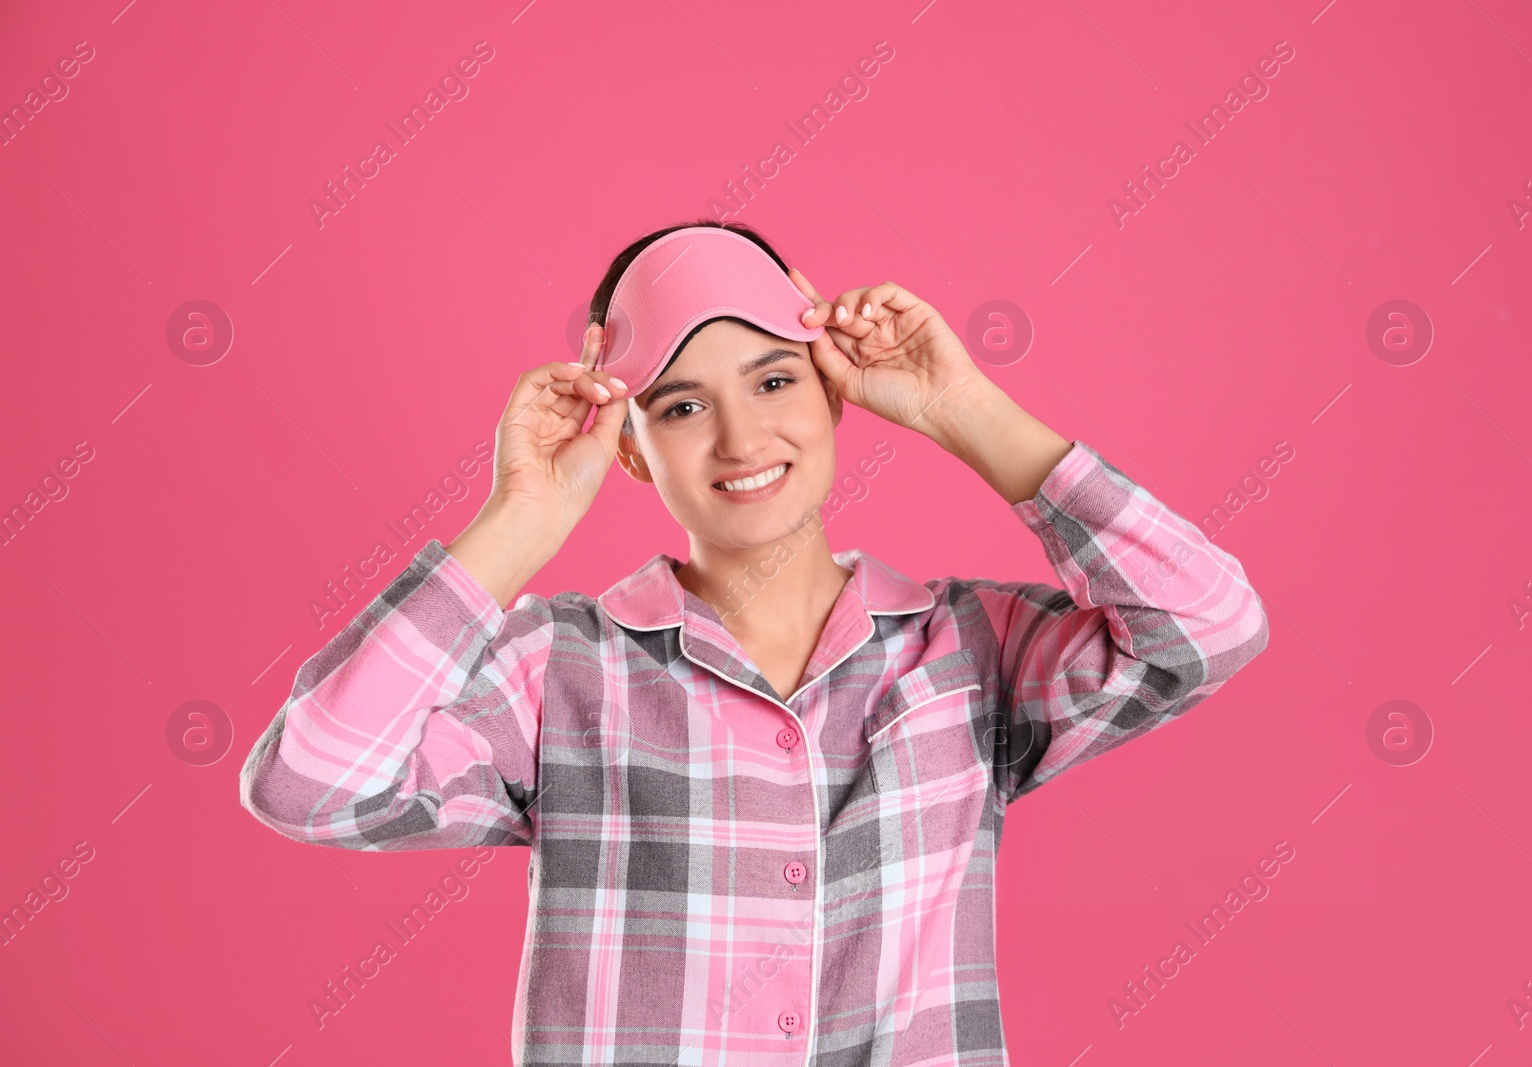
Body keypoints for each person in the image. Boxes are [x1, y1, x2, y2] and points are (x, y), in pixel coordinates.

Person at [240, 219, 1269, 1066]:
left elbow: (1206, 626)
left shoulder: (965, 650)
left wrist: (963, 409)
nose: (739, 440)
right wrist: (522, 515)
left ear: (831, 392)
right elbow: (311, 782)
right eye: (681, 406)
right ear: (631, 447)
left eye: (775, 382)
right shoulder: (557, 670)